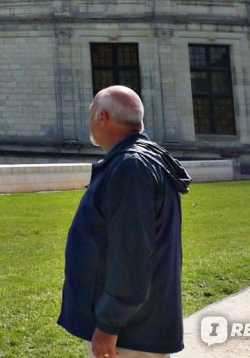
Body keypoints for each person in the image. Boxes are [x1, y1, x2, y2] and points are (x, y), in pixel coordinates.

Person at [59, 85, 190, 358]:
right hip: (141, 322)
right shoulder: (145, 160)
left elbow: (132, 253)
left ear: (102, 117)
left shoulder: (130, 167)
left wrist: (109, 324)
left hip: (131, 332)